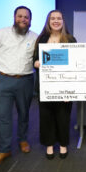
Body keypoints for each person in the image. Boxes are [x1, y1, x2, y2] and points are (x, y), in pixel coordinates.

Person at [0, 6, 38, 167]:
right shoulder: (1, 33)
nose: (23, 19)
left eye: (26, 17)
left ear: (30, 20)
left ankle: (23, 140)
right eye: (20, 16)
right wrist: (3, 68)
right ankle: (4, 149)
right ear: (14, 17)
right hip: (3, 81)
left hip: (26, 81)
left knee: (24, 113)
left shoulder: (35, 37)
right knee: (3, 117)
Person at [33, 10, 76, 160]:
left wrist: (70, 90)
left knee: (63, 117)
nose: (56, 21)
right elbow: (35, 59)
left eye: (59, 18)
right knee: (46, 117)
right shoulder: (42, 39)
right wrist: (37, 63)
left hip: (64, 86)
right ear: (48, 21)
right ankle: (49, 145)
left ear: (63, 21)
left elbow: (75, 63)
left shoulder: (70, 40)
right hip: (45, 86)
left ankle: (63, 145)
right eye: (53, 18)